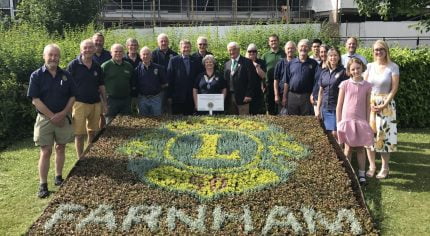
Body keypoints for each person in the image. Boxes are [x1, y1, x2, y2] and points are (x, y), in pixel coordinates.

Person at [27, 44, 75, 198]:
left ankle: (59, 177)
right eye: (50, 55)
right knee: (46, 151)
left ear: (59, 57)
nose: (53, 58)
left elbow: (72, 96)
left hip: (63, 117)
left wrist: (63, 114)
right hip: (45, 120)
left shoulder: (66, 75)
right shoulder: (36, 75)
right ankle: (43, 185)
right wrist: (53, 116)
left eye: (56, 55)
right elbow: (35, 100)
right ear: (44, 56)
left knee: (60, 147)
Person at [364, 40, 400, 179]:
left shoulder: (393, 67)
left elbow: (394, 88)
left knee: (384, 137)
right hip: (370, 104)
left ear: (386, 50)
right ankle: (372, 166)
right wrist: (368, 103)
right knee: (369, 137)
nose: (378, 52)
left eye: (381, 49)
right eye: (376, 50)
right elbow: (365, 86)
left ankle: (385, 168)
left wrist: (384, 104)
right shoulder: (369, 66)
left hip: (386, 106)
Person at [67, 39, 107, 159]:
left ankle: (89, 155)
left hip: (95, 103)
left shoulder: (97, 66)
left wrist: (104, 102)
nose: (88, 50)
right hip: (79, 103)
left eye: (90, 47)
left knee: (93, 132)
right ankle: (80, 158)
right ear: (81, 49)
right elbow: (66, 85)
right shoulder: (73, 65)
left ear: (94, 49)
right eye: (85, 47)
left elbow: (101, 86)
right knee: (79, 134)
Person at [337, 58, 374, 185]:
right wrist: (339, 123)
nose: (356, 71)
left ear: (362, 68)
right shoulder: (344, 84)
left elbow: (368, 106)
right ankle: (348, 173)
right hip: (347, 120)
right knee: (348, 148)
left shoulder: (368, 86)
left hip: (361, 120)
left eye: (358, 68)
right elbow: (339, 105)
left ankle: (362, 174)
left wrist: (368, 123)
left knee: (360, 148)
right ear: (349, 71)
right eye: (353, 69)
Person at [315, 47, 348, 140]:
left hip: (336, 108)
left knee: (335, 133)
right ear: (327, 57)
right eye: (331, 56)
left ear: (339, 57)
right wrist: (317, 109)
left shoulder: (344, 72)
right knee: (327, 134)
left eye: (335, 55)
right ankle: (332, 154)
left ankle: (340, 154)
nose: (333, 58)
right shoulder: (324, 72)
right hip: (324, 108)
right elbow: (321, 91)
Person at [282, 39, 318, 116]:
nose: (303, 48)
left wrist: (313, 94)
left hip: (307, 96)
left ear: (309, 49)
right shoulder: (291, 63)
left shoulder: (313, 64)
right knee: (292, 120)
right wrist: (284, 97)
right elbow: (286, 82)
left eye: (306, 46)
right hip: (292, 96)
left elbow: (316, 82)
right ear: (297, 49)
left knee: (306, 120)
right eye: (301, 46)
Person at [101, 44, 133, 123]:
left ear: (123, 53)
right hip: (111, 100)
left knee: (126, 124)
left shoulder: (128, 66)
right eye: (115, 51)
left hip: (126, 100)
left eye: (120, 51)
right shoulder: (105, 66)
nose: (118, 53)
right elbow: (99, 84)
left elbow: (131, 82)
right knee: (109, 125)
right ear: (111, 53)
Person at [224, 42, 258, 115]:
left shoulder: (247, 62)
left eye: (234, 49)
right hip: (230, 98)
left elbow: (252, 80)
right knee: (232, 122)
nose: (231, 52)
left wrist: (248, 95)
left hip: (243, 97)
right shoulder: (227, 64)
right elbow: (225, 81)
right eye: (229, 50)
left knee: (244, 121)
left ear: (238, 50)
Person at [167, 39, 200, 115]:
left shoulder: (195, 60)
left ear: (190, 48)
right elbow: (170, 79)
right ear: (180, 48)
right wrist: (169, 96)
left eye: (188, 47)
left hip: (191, 97)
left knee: (191, 121)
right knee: (177, 121)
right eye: (184, 47)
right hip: (177, 97)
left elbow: (198, 78)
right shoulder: (173, 60)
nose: (186, 49)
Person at [133, 46, 168, 116]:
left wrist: (155, 89)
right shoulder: (136, 70)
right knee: (144, 121)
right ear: (140, 56)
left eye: (147, 54)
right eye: (143, 54)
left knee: (157, 120)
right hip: (142, 99)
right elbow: (135, 85)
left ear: (151, 56)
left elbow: (165, 84)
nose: (145, 56)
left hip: (156, 98)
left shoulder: (159, 68)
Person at [152, 33, 178, 114]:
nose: (164, 43)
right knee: (159, 110)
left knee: (171, 109)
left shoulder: (174, 54)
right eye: (161, 41)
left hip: (172, 87)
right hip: (159, 88)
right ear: (158, 42)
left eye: (165, 41)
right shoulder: (153, 54)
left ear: (168, 42)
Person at [262, 34, 285, 115]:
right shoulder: (265, 56)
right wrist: (263, 84)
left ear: (278, 41)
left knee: (282, 106)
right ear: (269, 43)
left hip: (282, 84)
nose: (273, 42)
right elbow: (262, 71)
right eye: (271, 41)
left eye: (275, 40)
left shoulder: (284, 53)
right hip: (269, 85)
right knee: (270, 106)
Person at [92, 32, 111, 129]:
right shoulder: (88, 55)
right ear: (92, 41)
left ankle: (101, 134)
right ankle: (92, 137)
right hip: (91, 90)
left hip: (105, 89)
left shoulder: (109, 55)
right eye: (96, 40)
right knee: (92, 116)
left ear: (103, 42)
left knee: (104, 114)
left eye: (100, 41)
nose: (98, 43)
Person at [274, 41, 296, 114]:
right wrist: (276, 95)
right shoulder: (280, 63)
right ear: (285, 50)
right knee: (282, 117)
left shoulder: (298, 62)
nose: (290, 50)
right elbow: (276, 80)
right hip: (281, 94)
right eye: (288, 48)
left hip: (294, 95)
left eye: (292, 48)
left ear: (295, 49)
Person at [245, 43, 266, 115]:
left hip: (257, 92)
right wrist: (252, 62)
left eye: (254, 51)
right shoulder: (244, 62)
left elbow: (263, 76)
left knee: (256, 114)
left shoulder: (261, 62)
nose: (252, 53)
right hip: (245, 92)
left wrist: (257, 66)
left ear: (256, 52)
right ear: (247, 52)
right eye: (250, 51)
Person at [311, 44, 329, 113]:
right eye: (321, 52)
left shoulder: (331, 68)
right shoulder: (318, 66)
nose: (323, 54)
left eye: (325, 52)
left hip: (325, 102)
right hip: (315, 101)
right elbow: (315, 81)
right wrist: (312, 94)